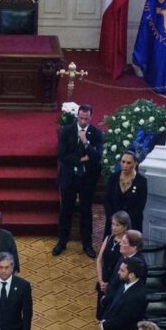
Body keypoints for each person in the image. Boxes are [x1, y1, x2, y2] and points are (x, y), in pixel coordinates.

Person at [54, 104, 103, 258]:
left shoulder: (96, 133)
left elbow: (97, 157)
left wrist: (85, 142)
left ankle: (87, 244)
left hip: (87, 179)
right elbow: (62, 155)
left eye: (86, 119)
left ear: (91, 117)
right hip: (69, 176)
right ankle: (62, 241)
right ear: (77, 116)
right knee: (66, 210)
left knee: (86, 210)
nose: (83, 121)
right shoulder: (67, 131)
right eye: (81, 118)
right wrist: (82, 159)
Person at [104, 151, 148, 232]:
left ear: (135, 164)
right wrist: (114, 218)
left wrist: (124, 221)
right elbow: (107, 200)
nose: (125, 165)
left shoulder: (141, 181)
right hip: (113, 222)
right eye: (123, 162)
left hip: (132, 224)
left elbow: (140, 206)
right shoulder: (113, 178)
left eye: (129, 163)